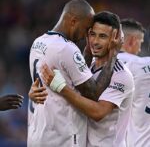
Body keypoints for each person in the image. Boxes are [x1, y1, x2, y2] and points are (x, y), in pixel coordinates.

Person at [29, 11, 134, 147]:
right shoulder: (86, 68)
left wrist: (62, 88)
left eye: (102, 36)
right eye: (92, 34)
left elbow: (98, 112)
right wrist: (34, 92)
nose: (95, 41)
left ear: (116, 39)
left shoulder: (121, 75)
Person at [118, 20, 150, 147]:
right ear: (132, 41)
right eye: (140, 43)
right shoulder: (141, 64)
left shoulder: (96, 64)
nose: (140, 49)